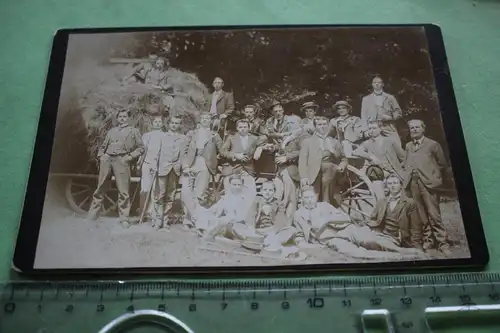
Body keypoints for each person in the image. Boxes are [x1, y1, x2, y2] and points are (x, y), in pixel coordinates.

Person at [271, 187, 423, 260]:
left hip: (347, 230)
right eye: (306, 198)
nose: (309, 200)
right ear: (301, 199)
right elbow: (299, 235)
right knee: (358, 253)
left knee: (370, 240)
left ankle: (406, 252)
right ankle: (398, 258)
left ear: (316, 197)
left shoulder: (325, 206)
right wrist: (310, 245)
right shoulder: (299, 215)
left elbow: (346, 218)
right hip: (331, 239)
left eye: (311, 197)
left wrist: (327, 219)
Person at [401, 119, 452, 255]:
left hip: (428, 183)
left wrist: (433, 177)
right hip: (413, 183)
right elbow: (406, 163)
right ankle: (428, 241)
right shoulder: (408, 146)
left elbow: (442, 164)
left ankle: (443, 243)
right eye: (412, 128)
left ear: (423, 129)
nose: (414, 130)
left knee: (434, 214)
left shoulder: (433, 145)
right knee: (421, 214)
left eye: (417, 127)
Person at [87, 109, 144, 227]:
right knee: (100, 187)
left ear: (128, 118)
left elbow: (141, 148)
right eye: (120, 117)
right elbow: (103, 146)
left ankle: (124, 218)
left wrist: (128, 157)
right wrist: (102, 156)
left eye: (124, 116)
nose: (122, 118)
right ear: (117, 118)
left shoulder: (133, 131)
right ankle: (92, 215)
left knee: (123, 191)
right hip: (107, 160)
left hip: (122, 160)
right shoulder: (111, 131)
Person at [299, 116, 347, 207]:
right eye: (319, 125)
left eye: (324, 124)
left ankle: (327, 206)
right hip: (313, 172)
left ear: (328, 125)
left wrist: (341, 167)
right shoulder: (308, 142)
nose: (322, 127)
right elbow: (302, 160)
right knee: (313, 197)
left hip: (330, 173)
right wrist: (303, 176)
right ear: (315, 127)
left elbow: (343, 159)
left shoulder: (335, 142)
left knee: (327, 197)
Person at [367, 174, 423, 250]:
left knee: (371, 242)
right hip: (381, 234)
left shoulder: (409, 203)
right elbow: (372, 219)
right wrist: (373, 230)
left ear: (401, 185)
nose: (392, 186)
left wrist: (417, 246)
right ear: (387, 186)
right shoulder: (382, 201)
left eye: (395, 183)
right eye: (389, 184)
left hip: (396, 238)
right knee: (357, 233)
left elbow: (416, 228)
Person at [352, 120, 406, 198]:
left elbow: (403, 157)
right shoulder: (367, 143)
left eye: (374, 128)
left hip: (395, 172)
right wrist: (371, 156)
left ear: (380, 129)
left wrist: (402, 170)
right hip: (380, 174)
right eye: (370, 129)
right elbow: (356, 151)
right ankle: (382, 206)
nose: (371, 131)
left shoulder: (390, 141)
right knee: (377, 186)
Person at [153, 116, 188, 229]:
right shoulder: (162, 136)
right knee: (160, 195)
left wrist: (184, 167)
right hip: (163, 168)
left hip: (175, 169)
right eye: (172, 123)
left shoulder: (183, 138)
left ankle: (165, 219)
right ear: (169, 124)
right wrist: (154, 165)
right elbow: (156, 152)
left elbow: (183, 155)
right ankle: (157, 220)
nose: (174, 125)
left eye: (176, 123)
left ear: (180, 125)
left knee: (170, 195)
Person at [183, 112, 223, 200]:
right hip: (191, 162)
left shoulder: (214, 135)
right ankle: (188, 211)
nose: (205, 120)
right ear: (200, 120)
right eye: (203, 118)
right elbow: (184, 151)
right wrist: (185, 165)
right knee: (187, 191)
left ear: (210, 121)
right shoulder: (192, 133)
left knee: (200, 191)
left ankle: (198, 209)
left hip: (205, 163)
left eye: (207, 118)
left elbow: (222, 149)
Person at [220, 119, 265, 192]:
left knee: (249, 191)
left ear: (249, 128)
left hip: (247, 169)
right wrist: (235, 155)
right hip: (232, 168)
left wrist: (260, 148)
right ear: (237, 128)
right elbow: (222, 151)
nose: (243, 129)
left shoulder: (254, 138)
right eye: (240, 127)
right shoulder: (231, 138)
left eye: (245, 127)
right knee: (230, 191)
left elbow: (263, 144)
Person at [136, 110, 165, 220]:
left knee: (156, 189)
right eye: (155, 122)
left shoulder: (165, 136)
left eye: (159, 122)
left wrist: (158, 165)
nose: (157, 123)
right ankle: (142, 211)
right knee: (144, 188)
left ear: (162, 123)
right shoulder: (146, 136)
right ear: (152, 123)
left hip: (158, 165)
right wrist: (140, 163)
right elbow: (142, 151)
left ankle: (152, 212)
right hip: (147, 164)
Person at [360, 75, 403, 146]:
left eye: (379, 82)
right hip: (372, 126)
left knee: (397, 145)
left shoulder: (390, 98)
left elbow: (398, 112)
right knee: (374, 148)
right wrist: (365, 130)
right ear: (372, 84)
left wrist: (391, 117)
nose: (377, 84)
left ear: (382, 84)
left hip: (388, 126)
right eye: (375, 82)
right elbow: (363, 116)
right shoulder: (366, 99)